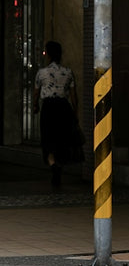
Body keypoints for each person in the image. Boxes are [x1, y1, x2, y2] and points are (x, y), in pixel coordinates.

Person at [34, 41, 82, 190]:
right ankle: (59, 164)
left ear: (47, 54)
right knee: (62, 139)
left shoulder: (42, 73)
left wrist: (35, 106)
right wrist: (75, 112)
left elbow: (36, 93)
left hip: (48, 108)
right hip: (63, 108)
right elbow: (74, 95)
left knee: (48, 139)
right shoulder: (68, 72)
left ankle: (52, 163)